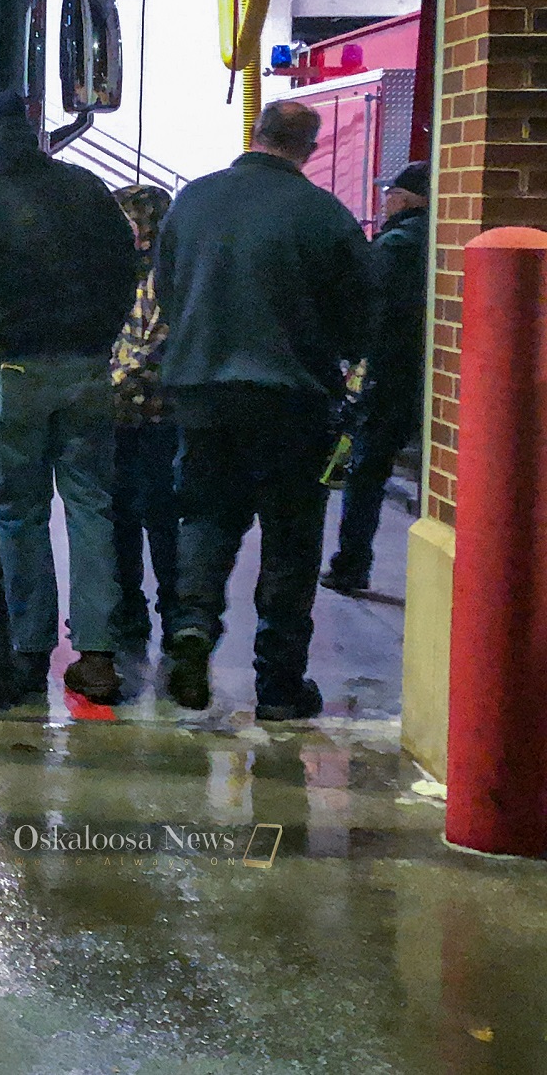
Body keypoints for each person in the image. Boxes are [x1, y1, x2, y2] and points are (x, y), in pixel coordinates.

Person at [157, 99, 374, 719]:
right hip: (292, 401)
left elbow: (168, 291)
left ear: (256, 133)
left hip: (202, 393)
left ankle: (191, 630)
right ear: (308, 147)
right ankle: (279, 685)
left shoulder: (192, 202)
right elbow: (360, 319)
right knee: (290, 538)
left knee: (205, 519)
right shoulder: (325, 216)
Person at [0, 92, 136, 705]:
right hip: (84, 367)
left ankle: (29, 652)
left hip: (14, 369)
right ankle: (99, 655)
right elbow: (124, 267)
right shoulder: (84, 187)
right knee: (90, 506)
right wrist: (99, 338)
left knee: (19, 512)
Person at [321, 160, 430, 594]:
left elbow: (368, 310)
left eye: (391, 193)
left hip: (388, 372)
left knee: (366, 470)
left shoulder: (395, 244)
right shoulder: (437, 238)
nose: (385, 199)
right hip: (425, 372)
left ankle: (351, 564)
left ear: (406, 199)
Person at [109, 184, 180, 651]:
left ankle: (139, 612)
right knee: (156, 517)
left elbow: (140, 346)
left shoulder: (145, 276)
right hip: (160, 415)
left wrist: (108, 382)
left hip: (136, 415)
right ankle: (167, 615)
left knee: (133, 515)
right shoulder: (176, 272)